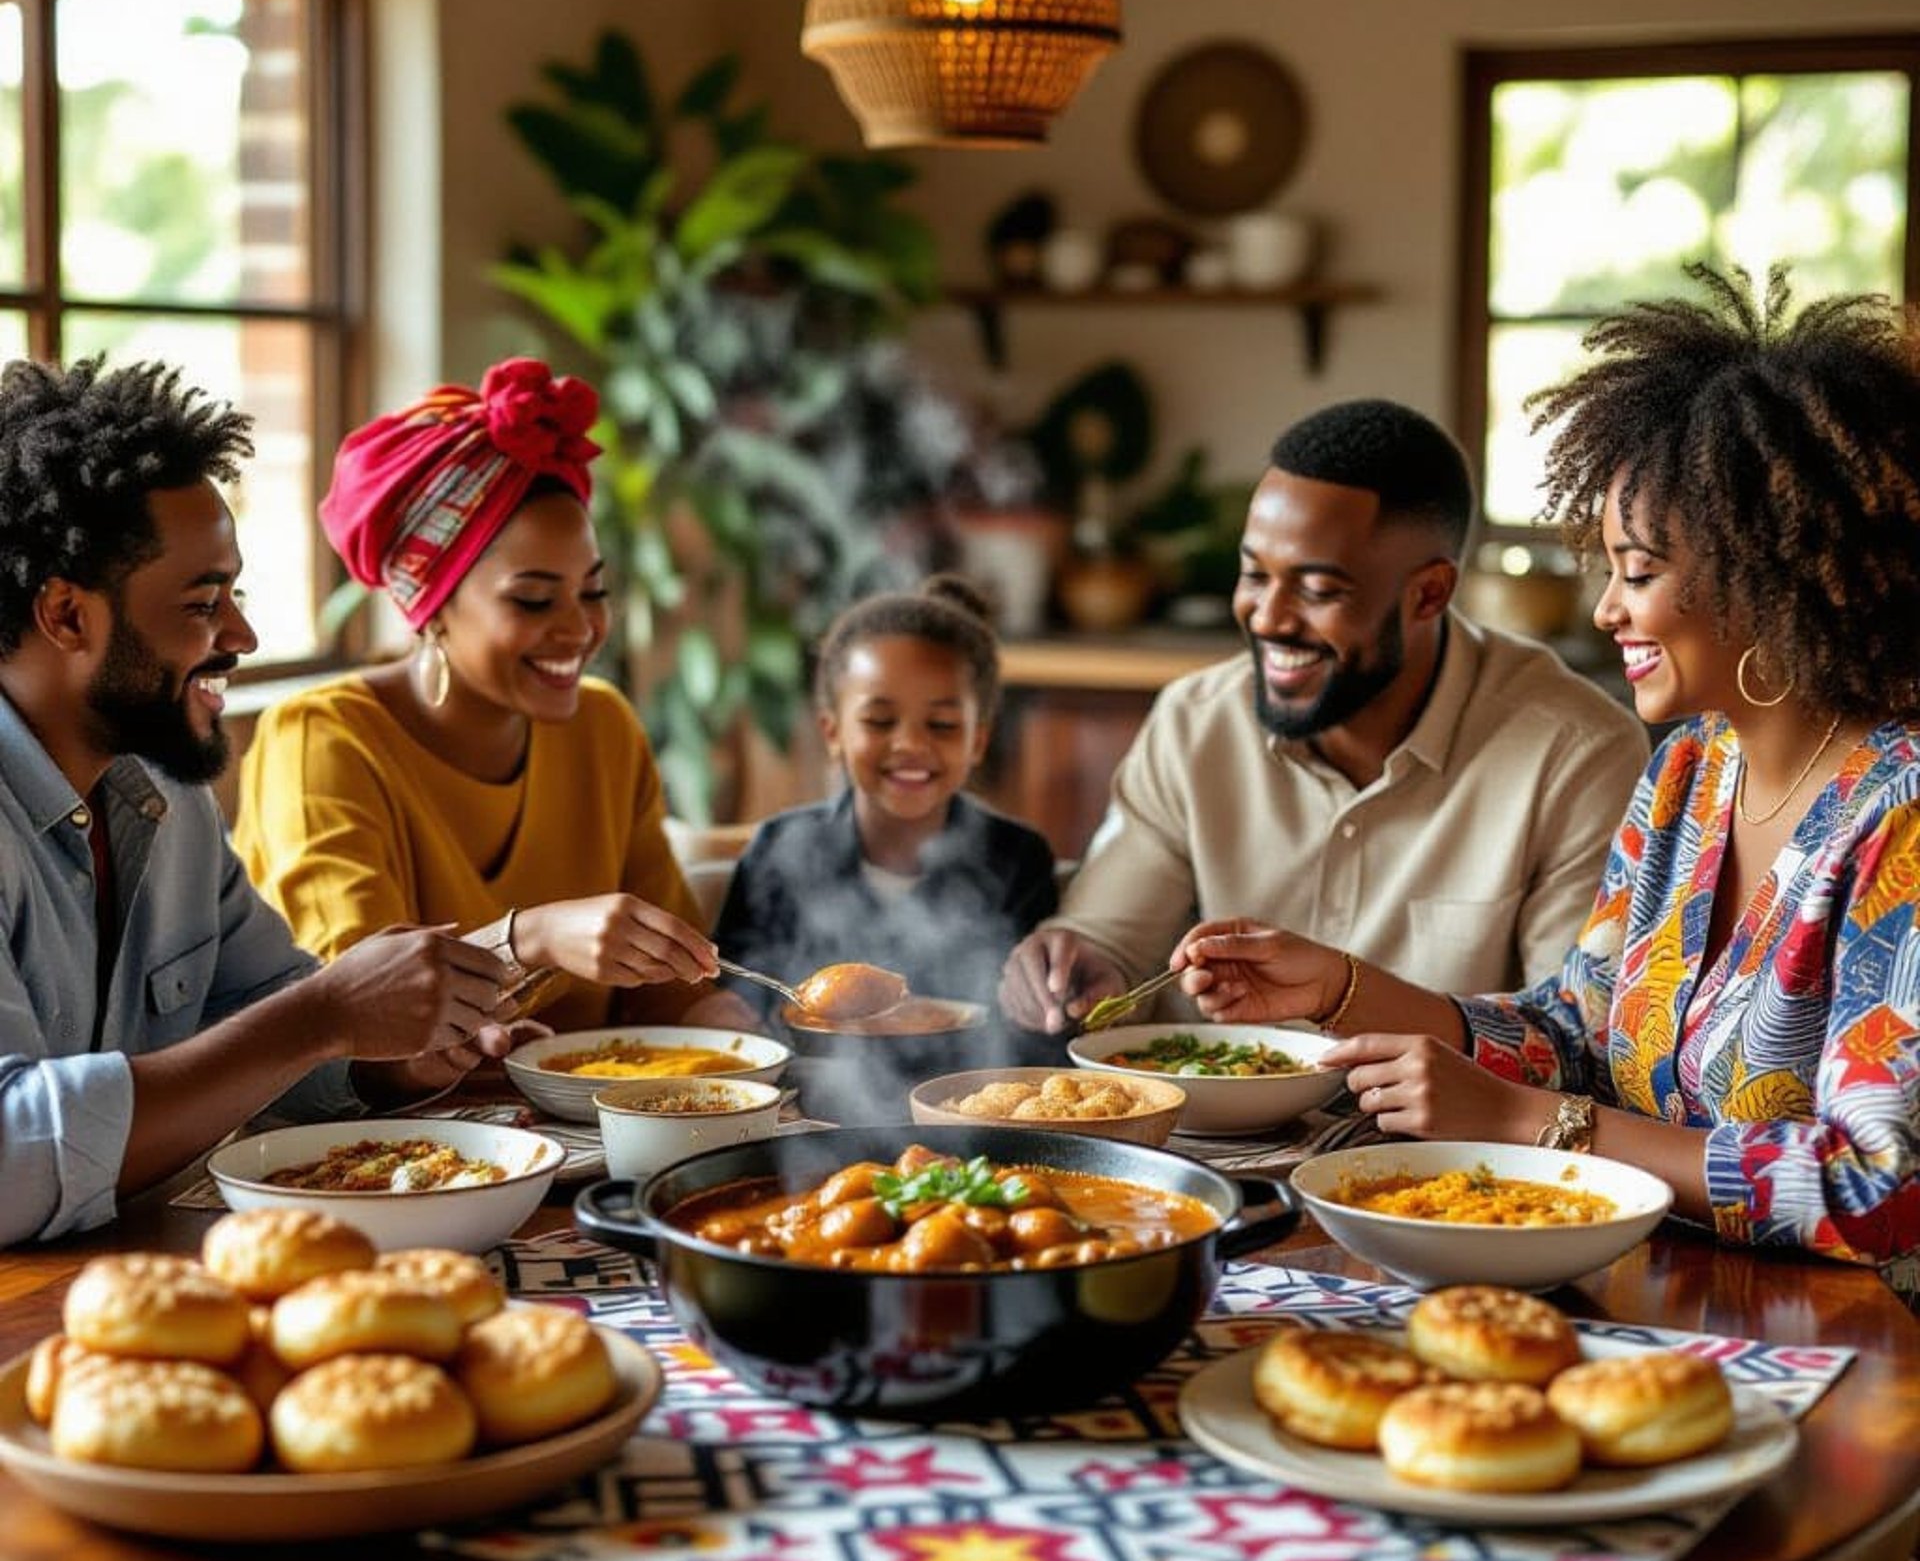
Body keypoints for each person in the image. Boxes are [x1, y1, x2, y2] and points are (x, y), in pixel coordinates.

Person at [1174, 270, 1920, 1293]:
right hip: (1667, 1298)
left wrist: (1535, 1126)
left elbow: (1880, 1189)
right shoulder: (1691, 778)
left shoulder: (1898, 815)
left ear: (1766, 577)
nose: (1609, 608)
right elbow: (1577, 1032)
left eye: (1639, 571)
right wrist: (1346, 989)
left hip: (1862, 1345)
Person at [0, 356, 515, 1247]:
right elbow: (8, 1157)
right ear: (68, 616)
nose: (241, 636)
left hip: (133, 1270)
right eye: (205, 604)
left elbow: (257, 1014)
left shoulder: (164, 786)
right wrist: (323, 1017)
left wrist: (380, 1059)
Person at [999, 398, 1648, 1036]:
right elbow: (1111, 940)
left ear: (1428, 594)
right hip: (1205, 1135)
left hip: (1437, 1143)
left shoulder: (1575, 751)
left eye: (1317, 591)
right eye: (1254, 575)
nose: (1269, 618)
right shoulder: (1196, 723)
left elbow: (1571, 1038)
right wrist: (1074, 971)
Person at [233, 360, 753, 1035]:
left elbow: (664, 991)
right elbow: (354, 1015)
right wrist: (530, 939)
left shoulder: (604, 726)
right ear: (432, 607)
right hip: (388, 1138)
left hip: (584, 1129)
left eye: (593, 591)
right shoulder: (323, 740)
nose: (579, 628)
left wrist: (724, 1012)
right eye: (533, 599)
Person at [713, 575, 1057, 1049]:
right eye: (878, 721)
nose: (912, 744)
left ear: (978, 740)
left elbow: (1034, 1031)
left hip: (966, 1100)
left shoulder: (1017, 859)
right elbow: (740, 986)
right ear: (832, 732)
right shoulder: (780, 849)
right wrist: (725, 1012)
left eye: (942, 724)